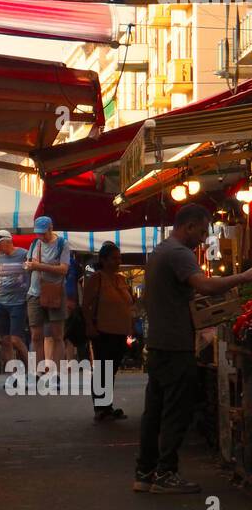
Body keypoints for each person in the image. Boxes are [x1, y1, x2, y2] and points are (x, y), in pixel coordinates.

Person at [137, 202, 252, 494]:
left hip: (160, 343)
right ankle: (166, 473)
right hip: (175, 345)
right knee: (176, 410)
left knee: (155, 410)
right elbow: (206, 286)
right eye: (201, 232)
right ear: (188, 226)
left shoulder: (161, 251)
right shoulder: (179, 254)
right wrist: (245, 276)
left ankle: (145, 472)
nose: (203, 238)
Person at [81, 242, 131, 422]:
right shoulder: (97, 278)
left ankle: (107, 405)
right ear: (103, 260)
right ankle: (101, 408)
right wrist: (89, 325)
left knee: (112, 369)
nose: (118, 261)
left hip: (120, 331)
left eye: (119, 258)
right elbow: (85, 304)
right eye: (114, 258)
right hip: (103, 331)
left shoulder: (121, 279)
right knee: (103, 369)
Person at [25, 216, 71, 367]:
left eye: (43, 233)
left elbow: (64, 269)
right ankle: (37, 371)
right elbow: (28, 264)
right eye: (38, 233)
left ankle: (56, 373)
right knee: (36, 336)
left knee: (57, 335)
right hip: (34, 293)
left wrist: (39, 266)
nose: (40, 237)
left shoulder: (62, 244)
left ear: (51, 229)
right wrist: (27, 266)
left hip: (55, 292)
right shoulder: (34, 243)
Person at [0, 228, 29, 370]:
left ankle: (30, 369)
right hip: (1, 303)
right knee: (4, 340)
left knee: (16, 340)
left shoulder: (24, 254)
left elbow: (31, 275)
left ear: (7, 242)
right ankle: (13, 373)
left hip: (18, 302)